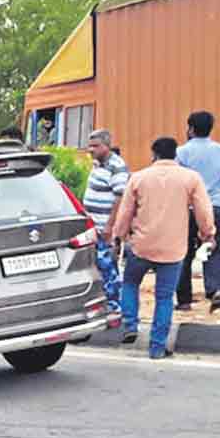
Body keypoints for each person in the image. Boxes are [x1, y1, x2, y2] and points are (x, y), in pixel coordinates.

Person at [112, 137, 216, 359]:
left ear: (154, 154)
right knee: (165, 297)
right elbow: (204, 211)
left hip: (141, 246)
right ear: (175, 154)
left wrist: (118, 236)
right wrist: (208, 234)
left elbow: (125, 212)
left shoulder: (138, 178)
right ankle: (157, 347)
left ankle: (130, 324)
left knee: (130, 283)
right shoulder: (191, 178)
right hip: (173, 248)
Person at [175, 111, 220, 312]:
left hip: (188, 209)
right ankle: (215, 290)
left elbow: (177, 183)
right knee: (213, 249)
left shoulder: (181, 152)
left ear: (191, 128)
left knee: (184, 252)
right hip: (214, 207)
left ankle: (184, 300)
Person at [83, 129, 130, 308]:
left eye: (96, 146)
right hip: (93, 227)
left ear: (107, 146)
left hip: (106, 228)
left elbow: (120, 198)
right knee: (98, 267)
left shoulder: (116, 166)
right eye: (90, 146)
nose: (91, 149)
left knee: (109, 267)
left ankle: (115, 305)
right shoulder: (97, 164)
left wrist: (110, 227)